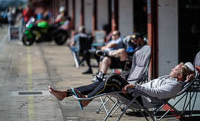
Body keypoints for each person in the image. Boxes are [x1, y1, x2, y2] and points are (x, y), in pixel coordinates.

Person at [48, 62, 195, 109]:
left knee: (112, 78)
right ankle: (65, 93)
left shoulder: (174, 86)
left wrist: (134, 87)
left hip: (141, 100)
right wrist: (134, 85)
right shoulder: (171, 79)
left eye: (174, 69)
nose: (171, 69)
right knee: (104, 82)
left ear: (180, 75)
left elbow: (155, 93)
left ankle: (86, 99)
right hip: (137, 93)